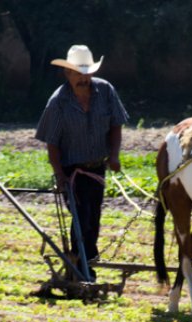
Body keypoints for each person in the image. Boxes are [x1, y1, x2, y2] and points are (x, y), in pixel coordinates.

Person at [35, 44, 129, 280]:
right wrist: (59, 176)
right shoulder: (58, 102)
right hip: (71, 171)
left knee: (93, 218)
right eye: (78, 73)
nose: (84, 78)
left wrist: (114, 155)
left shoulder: (106, 91)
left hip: (96, 168)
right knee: (82, 218)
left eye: (87, 73)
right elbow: (52, 143)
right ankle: (80, 268)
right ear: (67, 73)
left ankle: (83, 265)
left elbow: (116, 124)